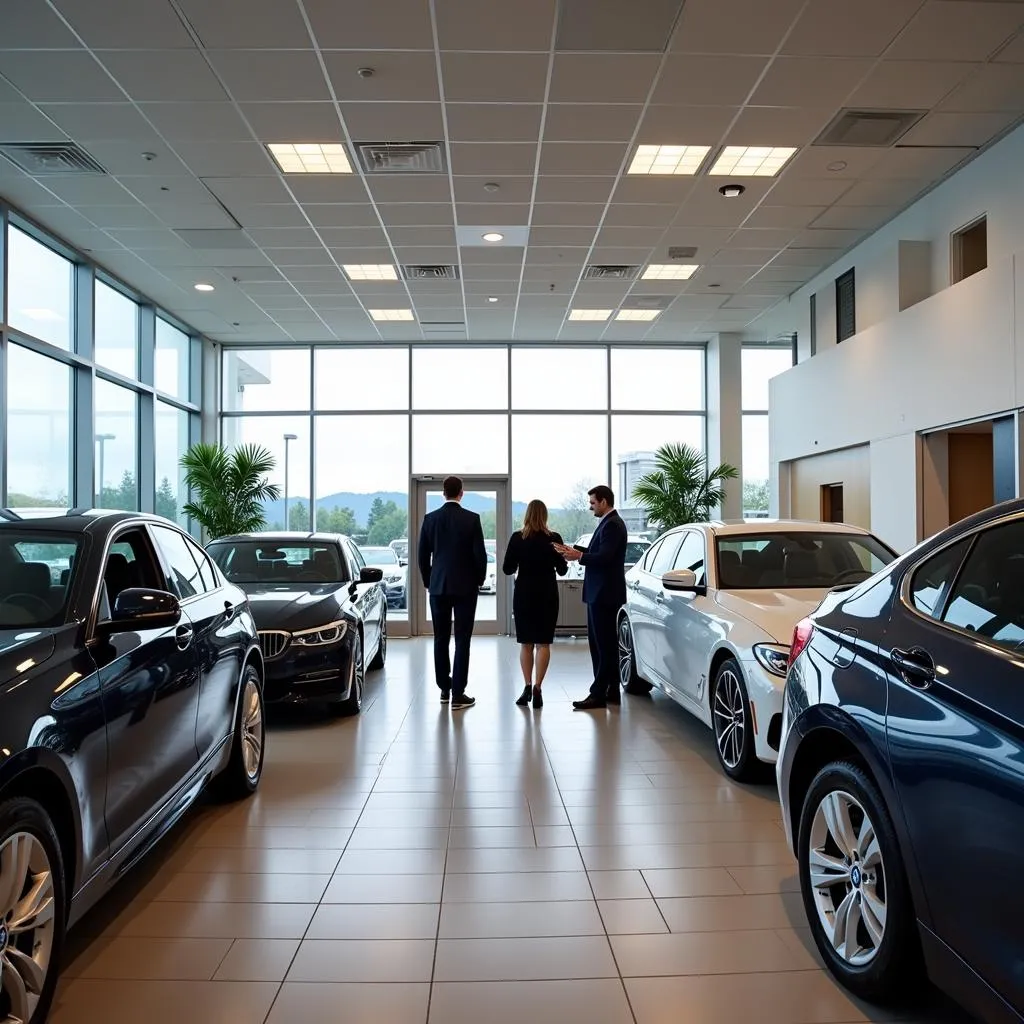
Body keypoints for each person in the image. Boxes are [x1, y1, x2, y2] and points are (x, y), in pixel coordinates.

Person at [553, 484, 627, 711]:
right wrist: (573, 550)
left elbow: (604, 557)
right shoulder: (609, 523)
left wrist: (580, 556)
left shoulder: (612, 524)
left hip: (603, 593)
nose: (590, 507)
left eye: (593, 503)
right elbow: (599, 551)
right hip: (602, 591)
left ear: (604, 501)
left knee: (602, 645)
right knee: (605, 644)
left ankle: (598, 693)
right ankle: (612, 689)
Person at [417, 475, 487, 709]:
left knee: (440, 638)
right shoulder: (472, 519)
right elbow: (480, 555)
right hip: (466, 587)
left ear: (443, 492)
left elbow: (422, 556)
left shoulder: (430, 519)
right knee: (463, 639)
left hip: (438, 586)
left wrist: (429, 581)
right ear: (461, 493)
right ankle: (458, 692)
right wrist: (478, 580)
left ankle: (444, 689)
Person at [502, 499, 568, 709]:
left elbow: (507, 568)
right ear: (545, 516)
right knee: (543, 643)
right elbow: (563, 570)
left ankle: (527, 686)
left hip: (524, 594)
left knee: (526, 643)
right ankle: (539, 687)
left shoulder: (517, 537)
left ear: (527, 515)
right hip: (547, 593)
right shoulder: (554, 539)